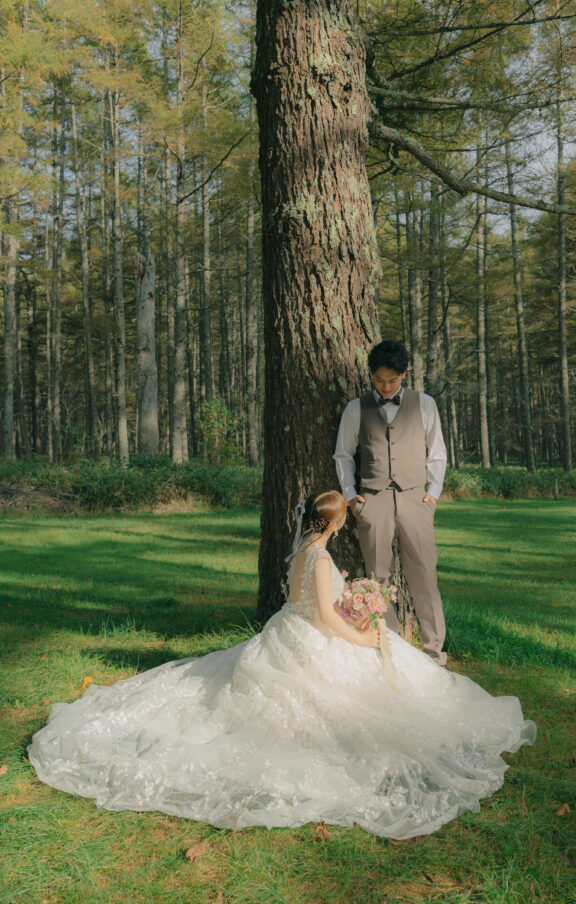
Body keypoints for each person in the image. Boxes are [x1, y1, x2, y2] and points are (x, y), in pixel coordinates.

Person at [28, 491, 535, 840]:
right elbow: (326, 618)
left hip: (286, 629)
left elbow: (303, 604)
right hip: (311, 636)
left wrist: (353, 605)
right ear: (334, 522)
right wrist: (361, 634)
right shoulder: (320, 559)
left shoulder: (302, 552)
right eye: (342, 518)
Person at [334, 339, 448, 665]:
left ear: (404, 374)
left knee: (425, 577)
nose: (385, 387)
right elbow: (343, 455)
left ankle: (435, 655)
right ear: (371, 375)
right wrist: (351, 496)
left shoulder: (424, 404)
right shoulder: (356, 409)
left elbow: (437, 452)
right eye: (379, 380)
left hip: (415, 498)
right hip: (373, 500)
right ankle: (392, 650)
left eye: (392, 380)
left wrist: (433, 494)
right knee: (377, 582)